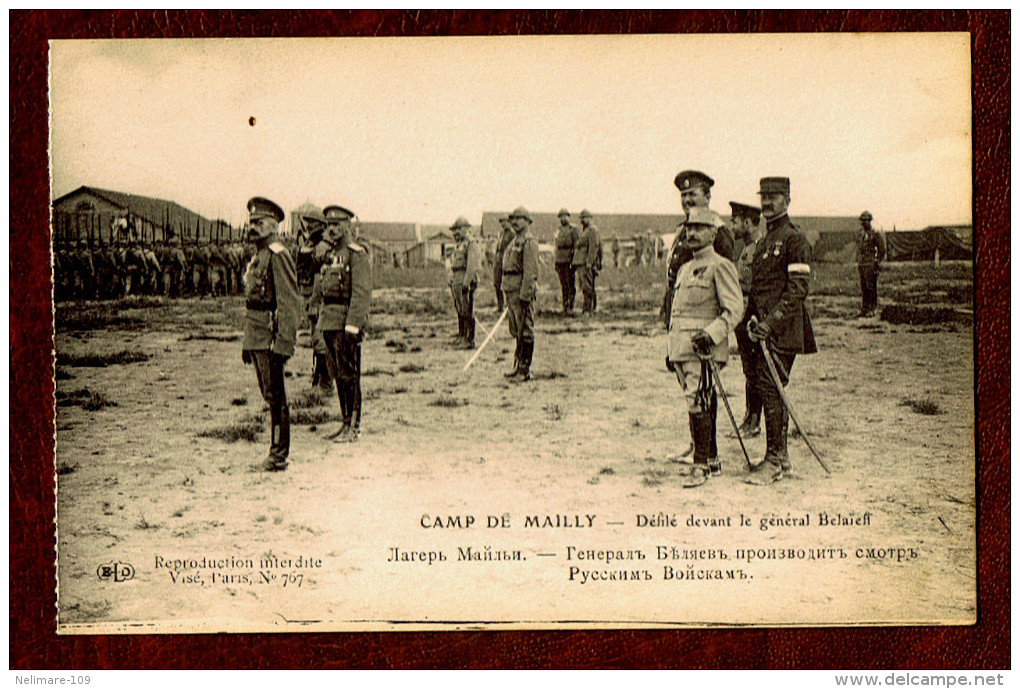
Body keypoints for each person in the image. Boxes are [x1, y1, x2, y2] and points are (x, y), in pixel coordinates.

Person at [739, 177, 817, 485]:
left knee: (771, 389)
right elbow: (759, 289)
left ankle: (774, 461)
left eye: (774, 197)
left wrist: (770, 322)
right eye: (764, 196)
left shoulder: (795, 240)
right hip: (761, 330)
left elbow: (798, 289)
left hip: (783, 330)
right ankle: (780, 458)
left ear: (787, 200)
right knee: (766, 387)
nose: (767, 202)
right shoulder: (764, 241)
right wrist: (752, 319)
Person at [665, 207, 743, 485]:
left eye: (699, 228)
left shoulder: (721, 266)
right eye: (689, 228)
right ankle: (711, 459)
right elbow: (677, 312)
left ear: (713, 233)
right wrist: (670, 349)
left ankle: (700, 466)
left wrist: (711, 334)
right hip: (682, 349)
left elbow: (734, 309)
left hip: (703, 350)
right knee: (697, 400)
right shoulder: (686, 268)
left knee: (696, 401)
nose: (692, 233)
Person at [241, 197, 301, 472]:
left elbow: (289, 303)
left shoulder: (278, 255)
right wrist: (247, 341)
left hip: (270, 336)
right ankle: (276, 451)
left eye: (259, 223)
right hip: (256, 334)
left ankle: (278, 454)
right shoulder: (259, 255)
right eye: (251, 222)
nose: (253, 227)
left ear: (274, 226)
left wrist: (284, 342)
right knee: (269, 394)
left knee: (276, 396)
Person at [313, 205, 372, 443]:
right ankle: (345, 422)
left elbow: (361, 293)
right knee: (338, 374)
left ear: (348, 226)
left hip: (345, 323)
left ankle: (354, 427)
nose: (333, 229)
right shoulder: (329, 254)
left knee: (350, 375)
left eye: (337, 225)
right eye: (329, 225)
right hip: (329, 321)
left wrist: (353, 326)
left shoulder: (356, 254)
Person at [662, 170, 734, 327]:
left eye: (692, 194)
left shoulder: (718, 231)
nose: (687, 200)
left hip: (702, 318)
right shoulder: (681, 230)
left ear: (707, 198)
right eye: (683, 195)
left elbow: (725, 278)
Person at [730, 200, 764, 437]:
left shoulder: (760, 249)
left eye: (735, 221)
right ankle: (749, 419)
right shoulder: (746, 249)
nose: (732, 225)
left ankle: (753, 422)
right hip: (743, 316)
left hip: (754, 318)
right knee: (749, 371)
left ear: (748, 222)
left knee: (756, 372)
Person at [501, 206, 540, 382]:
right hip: (510, 289)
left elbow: (530, 271)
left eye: (519, 218)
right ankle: (517, 366)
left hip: (521, 291)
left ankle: (525, 369)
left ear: (527, 221)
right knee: (516, 330)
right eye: (513, 219)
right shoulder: (514, 241)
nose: (515, 222)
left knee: (525, 329)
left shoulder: (529, 242)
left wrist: (525, 295)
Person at [449, 216, 483, 349]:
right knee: (459, 308)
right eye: (455, 230)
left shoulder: (471, 243)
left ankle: (469, 340)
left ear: (467, 229)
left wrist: (466, 282)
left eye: (459, 229)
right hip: (458, 278)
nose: (456, 232)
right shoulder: (460, 244)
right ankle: (462, 335)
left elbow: (472, 265)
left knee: (467, 310)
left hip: (464, 278)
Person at [856, 210, 886, 317]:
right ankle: (864, 309)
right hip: (863, 265)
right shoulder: (861, 235)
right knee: (864, 288)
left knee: (871, 288)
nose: (864, 223)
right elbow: (859, 250)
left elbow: (882, 249)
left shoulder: (875, 234)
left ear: (870, 221)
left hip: (871, 265)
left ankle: (872, 309)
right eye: (862, 221)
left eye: (866, 221)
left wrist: (877, 260)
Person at [553, 208, 579, 316]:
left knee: (570, 284)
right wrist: (555, 261)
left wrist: (574, 261)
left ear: (569, 217)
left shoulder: (573, 229)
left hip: (569, 260)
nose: (563, 218)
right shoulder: (558, 230)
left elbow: (576, 246)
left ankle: (571, 306)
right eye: (561, 216)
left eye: (565, 216)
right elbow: (556, 247)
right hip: (560, 260)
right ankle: (565, 306)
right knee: (563, 284)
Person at [577, 209, 602, 314]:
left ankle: (589, 308)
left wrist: (589, 262)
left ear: (590, 218)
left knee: (588, 286)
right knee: (584, 286)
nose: (583, 219)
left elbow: (593, 247)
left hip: (586, 263)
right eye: (582, 218)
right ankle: (589, 308)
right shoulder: (584, 230)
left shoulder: (592, 230)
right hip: (581, 262)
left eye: (585, 217)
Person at [492, 215, 514, 313]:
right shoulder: (500, 233)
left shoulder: (512, 234)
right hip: (498, 259)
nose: (503, 224)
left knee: (507, 283)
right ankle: (500, 305)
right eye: (501, 222)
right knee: (497, 283)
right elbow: (497, 247)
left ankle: (509, 306)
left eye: (505, 221)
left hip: (507, 259)